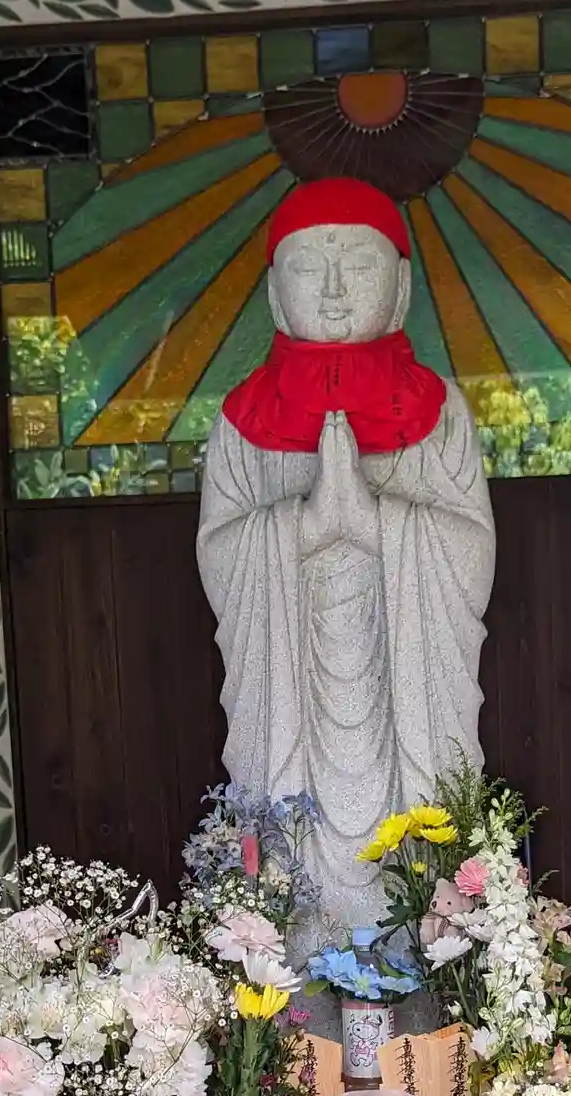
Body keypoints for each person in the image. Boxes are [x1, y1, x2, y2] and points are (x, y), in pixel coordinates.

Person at [197, 177, 495, 933]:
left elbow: (472, 555)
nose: (333, 292)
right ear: (274, 295)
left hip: (410, 692)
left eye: (359, 266)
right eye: (308, 268)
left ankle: (433, 964)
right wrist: (300, 529)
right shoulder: (240, 422)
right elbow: (221, 558)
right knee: (286, 877)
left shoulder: (441, 414)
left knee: (425, 857)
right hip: (287, 697)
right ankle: (286, 973)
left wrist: (371, 522)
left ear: (401, 292)